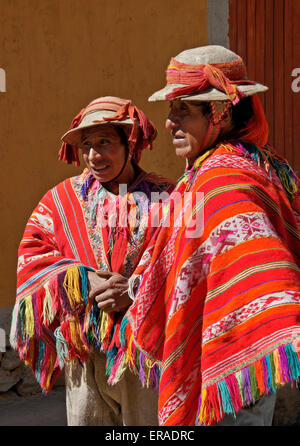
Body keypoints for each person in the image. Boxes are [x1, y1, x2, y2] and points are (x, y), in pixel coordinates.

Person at [97, 46, 300, 426]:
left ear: (220, 112)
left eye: (184, 110)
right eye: (171, 110)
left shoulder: (221, 180)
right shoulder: (258, 162)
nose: (171, 122)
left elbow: (256, 270)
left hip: (224, 373)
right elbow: (190, 259)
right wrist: (138, 288)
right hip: (241, 370)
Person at [10, 96, 174, 426]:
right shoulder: (61, 200)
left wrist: (134, 289)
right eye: (86, 144)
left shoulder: (167, 197)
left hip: (144, 355)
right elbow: (34, 255)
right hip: (82, 351)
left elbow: (182, 261)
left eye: (105, 142)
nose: (94, 155)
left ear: (129, 143)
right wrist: (84, 280)